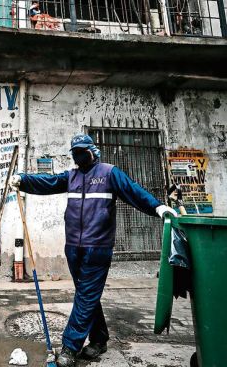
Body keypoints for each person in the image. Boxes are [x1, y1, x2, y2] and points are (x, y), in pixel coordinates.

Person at [10, 134, 177, 367]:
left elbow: (134, 191)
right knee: (87, 296)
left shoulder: (109, 173)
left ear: (93, 151)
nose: (78, 156)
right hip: (73, 248)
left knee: (86, 295)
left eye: (81, 151)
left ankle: (70, 345)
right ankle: (99, 339)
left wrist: (157, 207)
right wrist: (23, 180)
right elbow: (48, 182)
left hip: (97, 248)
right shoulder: (72, 176)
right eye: (74, 152)